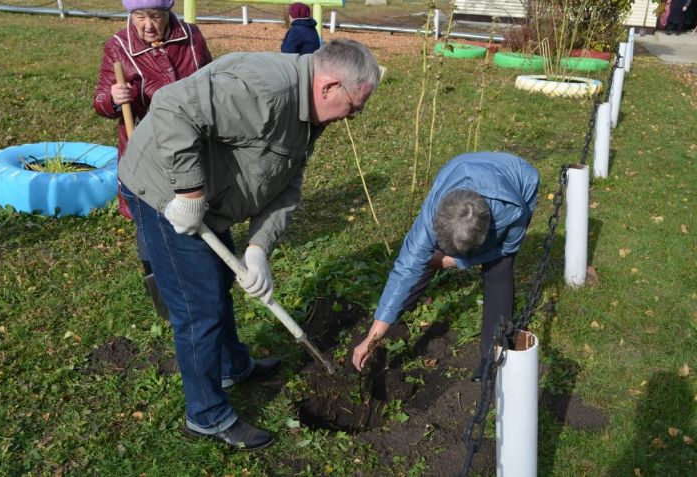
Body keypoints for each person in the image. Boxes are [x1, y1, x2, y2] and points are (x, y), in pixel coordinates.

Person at [118, 39, 380, 451]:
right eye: (355, 106)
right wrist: (188, 193)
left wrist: (257, 248)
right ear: (328, 86)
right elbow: (171, 106)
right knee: (197, 306)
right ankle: (206, 414)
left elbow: (287, 185)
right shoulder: (267, 91)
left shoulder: (309, 112)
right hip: (163, 190)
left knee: (218, 281)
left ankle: (230, 365)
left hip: (211, 198)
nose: (353, 116)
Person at [352, 152, 540, 382]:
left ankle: (492, 353)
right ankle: (394, 315)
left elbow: (508, 248)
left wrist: (456, 261)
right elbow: (405, 269)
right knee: (421, 260)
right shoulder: (432, 215)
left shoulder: (511, 211)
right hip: (459, 170)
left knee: (498, 269)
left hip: (519, 180)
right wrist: (373, 338)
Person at [93, 0, 212, 318]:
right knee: (148, 217)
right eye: (140, 17)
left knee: (195, 201)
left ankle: (202, 262)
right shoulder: (118, 46)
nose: (148, 25)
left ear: (168, 14)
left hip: (191, 142)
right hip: (145, 147)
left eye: (155, 17)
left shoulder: (190, 36)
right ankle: (159, 284)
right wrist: (113, 100)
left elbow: (209, 78)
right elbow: (101, 99)